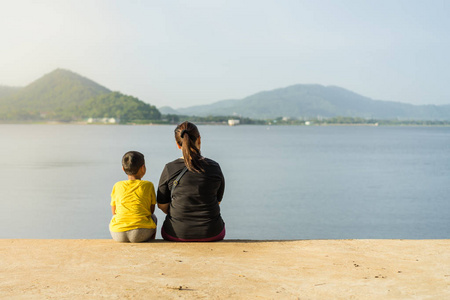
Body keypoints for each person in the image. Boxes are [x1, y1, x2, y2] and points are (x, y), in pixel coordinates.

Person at [157, 121, 225, 242]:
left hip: (176, 233)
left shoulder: (169, 168)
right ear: (199, 139)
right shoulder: (214, 167)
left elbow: (161, 204)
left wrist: (180, 210)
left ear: (178, 144)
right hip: (212, 232)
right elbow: (217, 201)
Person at [109, 151, 157, 243]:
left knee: (115, 218)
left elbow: (114, 212)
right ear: (143, 168)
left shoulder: (117, 185)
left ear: (123, 169)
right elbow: (151, 211)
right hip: (142, 233)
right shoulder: (148, 185)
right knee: (153, 217)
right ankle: (151, 242)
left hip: (118, 234)